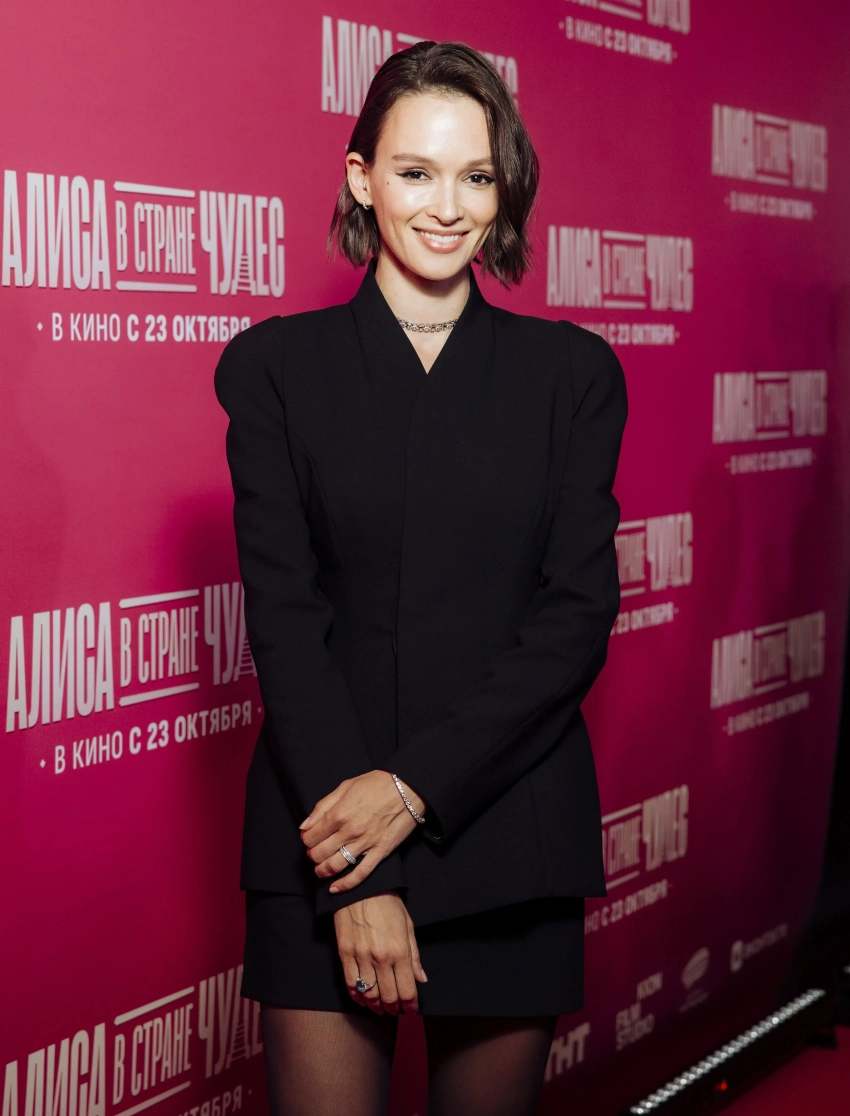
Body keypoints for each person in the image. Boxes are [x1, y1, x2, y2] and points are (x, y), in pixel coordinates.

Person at [214, 39, 627, 1116]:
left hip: (507, 826)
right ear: (361, 179)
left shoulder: (572, 375)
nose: (447, 207)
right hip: (323, 826)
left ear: (504, 189)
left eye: (476, 175)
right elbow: (287, 625)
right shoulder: (273, 369)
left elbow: (576, 618)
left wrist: (410, 793)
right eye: (414, 171)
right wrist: (362, 866)